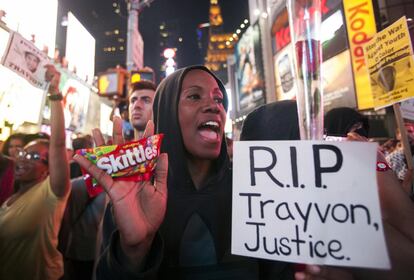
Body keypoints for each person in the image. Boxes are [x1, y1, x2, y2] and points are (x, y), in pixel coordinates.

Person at [74, 65, 293, 279]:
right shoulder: (135, 194)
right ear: (166, 112)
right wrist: (134, 250)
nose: (214, 106)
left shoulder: (253, 191)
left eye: (218, 99)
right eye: (195, 96)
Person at [0, 65, 70, 279]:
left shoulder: (51, 194)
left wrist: (55, 93)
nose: (22, 159)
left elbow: (57, 145)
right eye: (22, 153)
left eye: (33, 157)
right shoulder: (12, 197)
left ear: (48, 170)